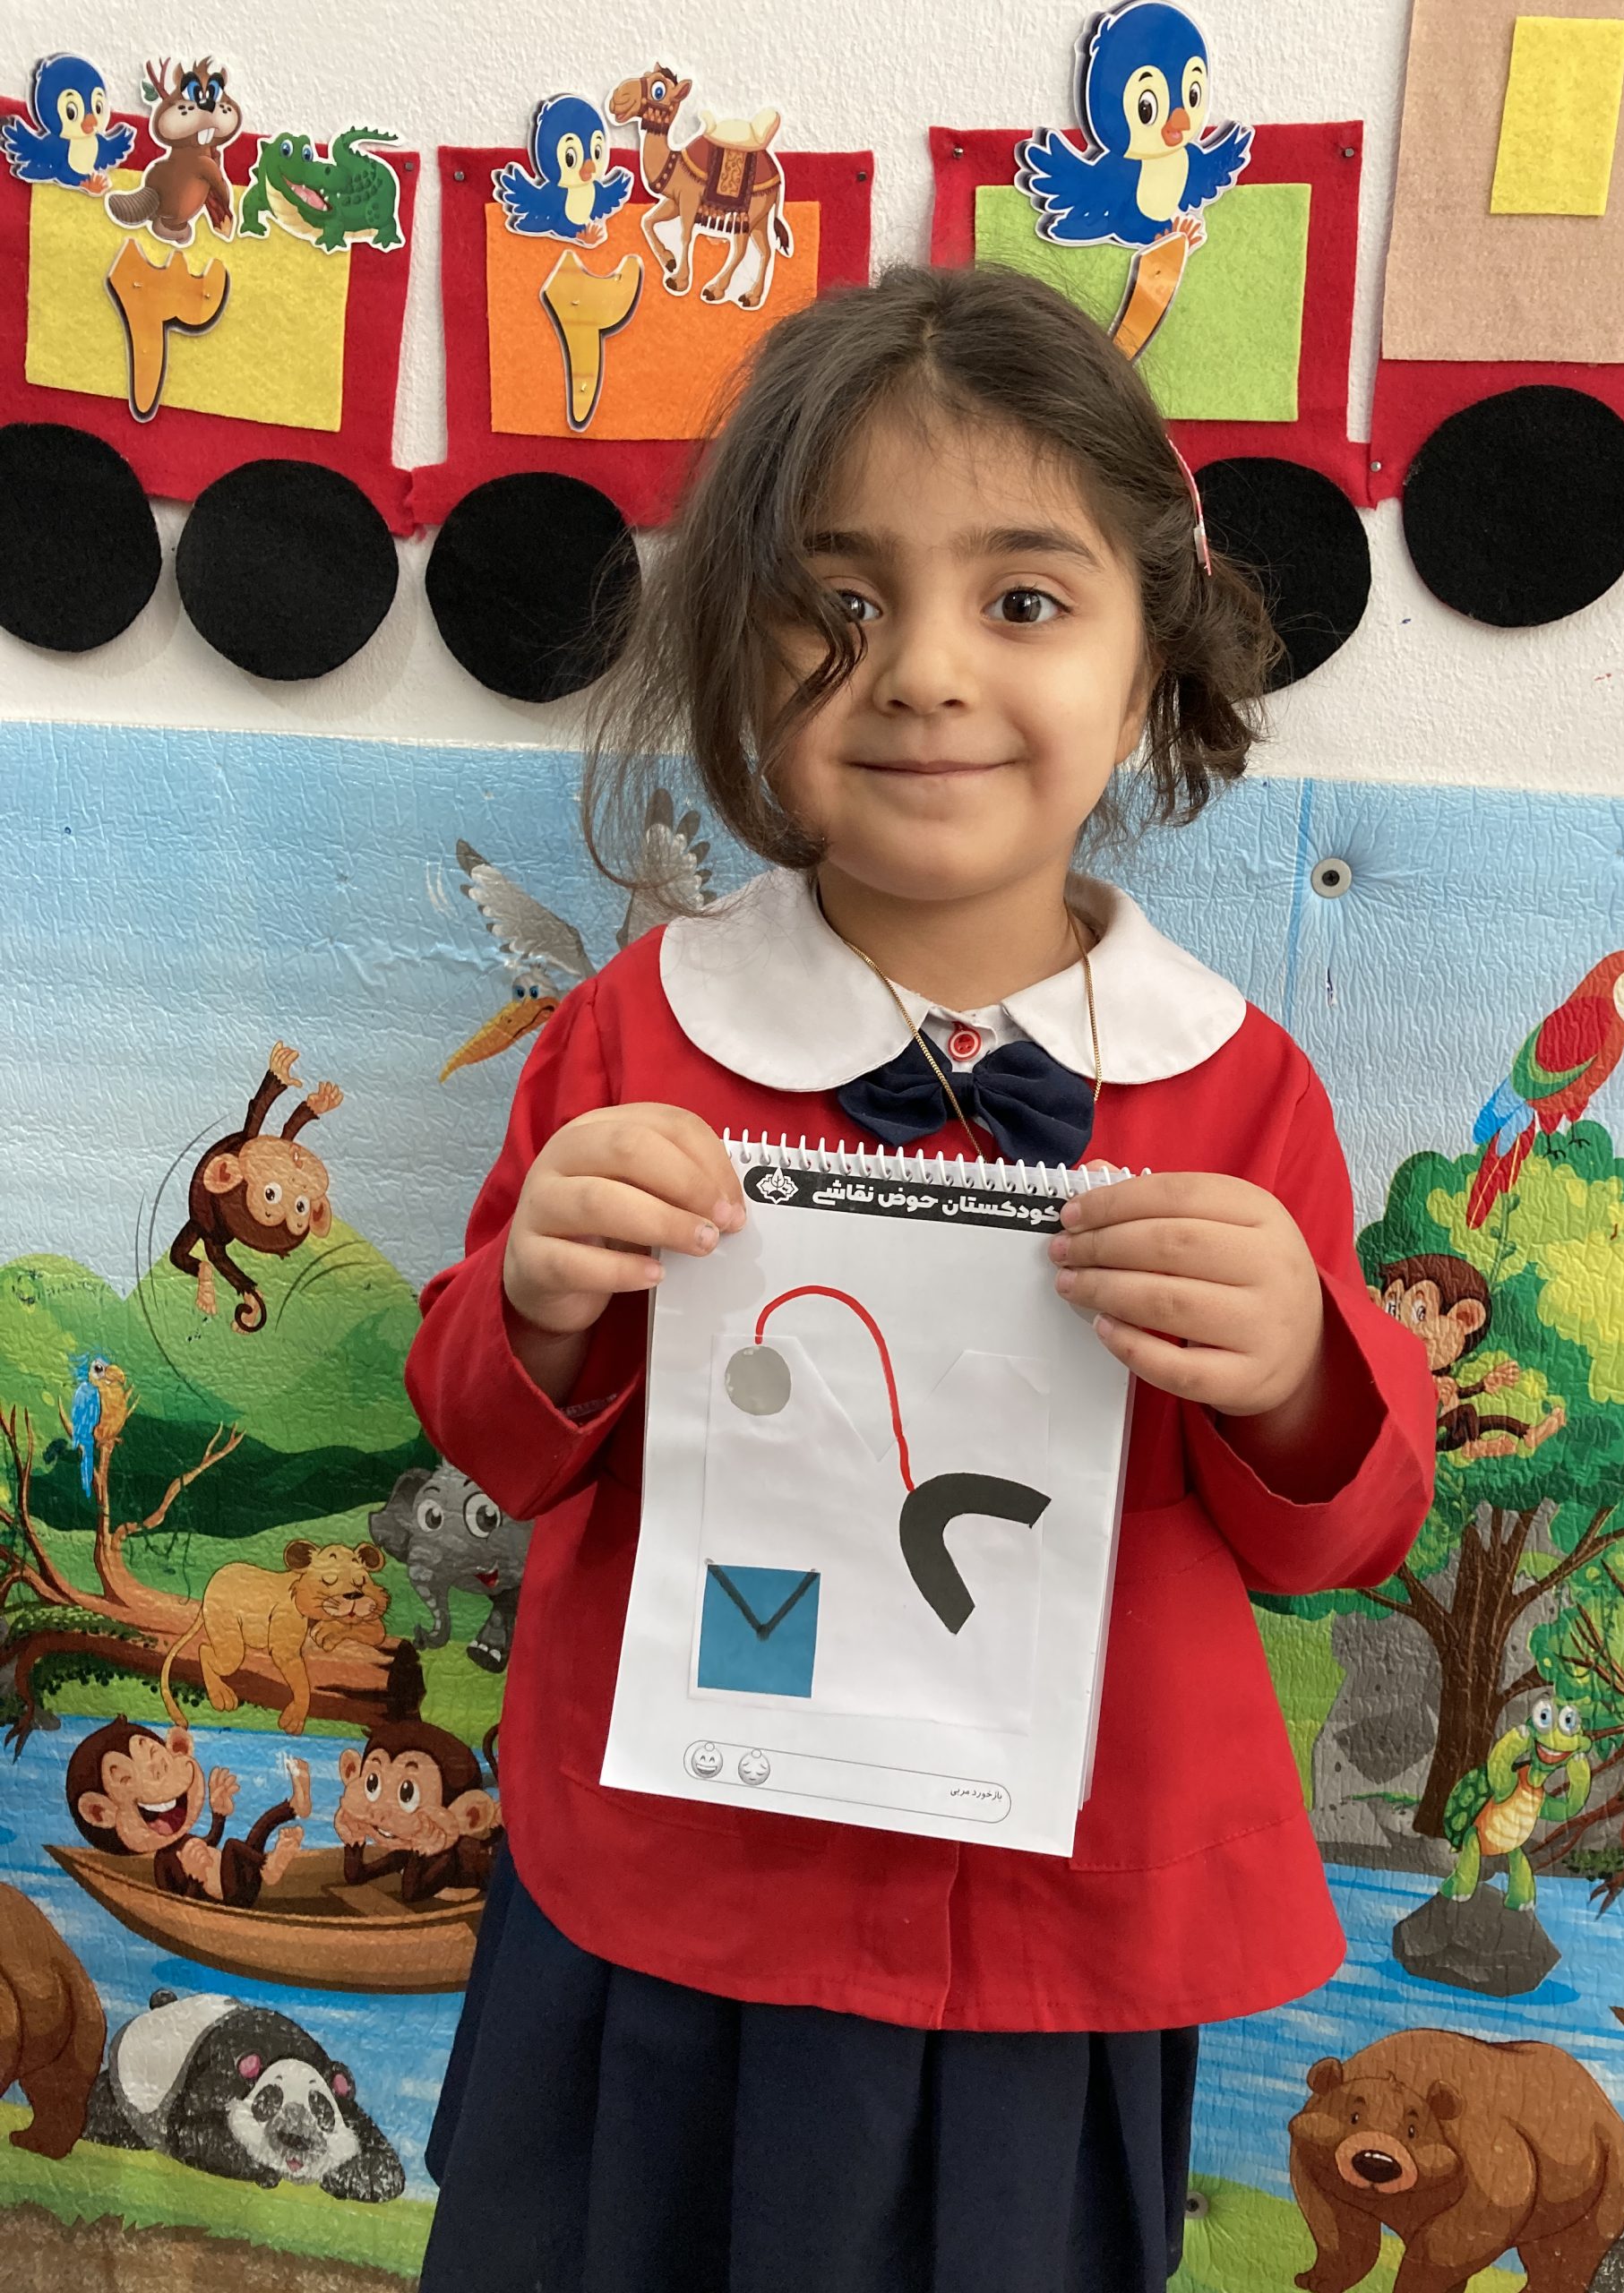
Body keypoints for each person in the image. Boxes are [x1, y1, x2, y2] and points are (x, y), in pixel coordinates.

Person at [408, 262, 1435, 2293]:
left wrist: (1301, 1366)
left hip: (1049, 1929)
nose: (925, 672)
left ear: (1149, 661)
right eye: (836, 604)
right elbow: (489, 1436)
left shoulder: (1238, 1086)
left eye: (1026, 599)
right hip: (676, 1898)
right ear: (737, 651)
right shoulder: (633, 1029)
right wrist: (537, 1295)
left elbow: (1336, 1530)